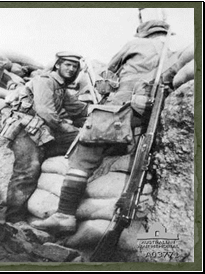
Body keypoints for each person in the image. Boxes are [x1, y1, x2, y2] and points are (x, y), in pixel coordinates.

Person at [31, 20, 179, 233]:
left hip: (119, 109)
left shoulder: (135, 44)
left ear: (143, 33)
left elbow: (109, 75)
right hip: (150, 115)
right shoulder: (174, 51)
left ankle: (64, 216)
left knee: (83, 156)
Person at [1, 52, 89, 223]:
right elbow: (45, 111)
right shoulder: (45, 80)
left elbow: (78, 109)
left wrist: (101, 111)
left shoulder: (61, 87)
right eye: (67, 65)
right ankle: (13, 220)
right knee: (27, 171)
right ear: (58, 65)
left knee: (82, 139)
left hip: (44, 132)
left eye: (74, 66)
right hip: (25, 130)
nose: (71, 69)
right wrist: (67, 127)